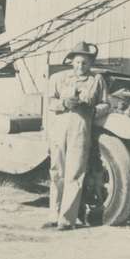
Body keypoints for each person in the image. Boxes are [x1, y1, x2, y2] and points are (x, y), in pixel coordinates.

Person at [44, 41, 108, 230]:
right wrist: (64, 104)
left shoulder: (97, 80)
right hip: (59, 128)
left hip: (80, 129)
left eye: (85, 63)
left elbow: (106, 104)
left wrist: (92, 109)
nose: (81, 66)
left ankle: (66, 220)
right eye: (78, 62)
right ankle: (53, 215)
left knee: (75, 173)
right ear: (71, 61)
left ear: (90, 64)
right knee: (57, 171)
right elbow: (49, 102)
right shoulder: (58, 78)